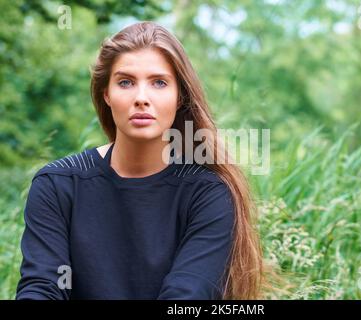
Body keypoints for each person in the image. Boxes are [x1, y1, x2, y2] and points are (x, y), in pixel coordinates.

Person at [16, 21, 263, 300]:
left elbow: (185, 298)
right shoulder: (58, 185)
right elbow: (42, 288)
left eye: (159, 82)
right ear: (106, 94)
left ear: (180, 95)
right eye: (125, 82)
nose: (141, 98)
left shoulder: (208, 193)